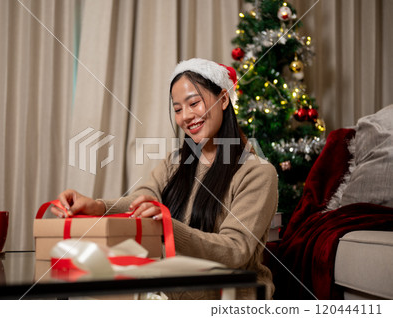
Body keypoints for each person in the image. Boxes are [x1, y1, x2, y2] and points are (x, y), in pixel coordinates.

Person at [51, 58, 278, 299]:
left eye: (194, 103)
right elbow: (144, 197)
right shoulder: (175, 163)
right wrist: (97, 206)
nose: (186, 116)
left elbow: (235, 250)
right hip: (171, 296)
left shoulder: (257, 173)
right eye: (178, 109)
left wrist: (168, 227)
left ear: (223, 100)